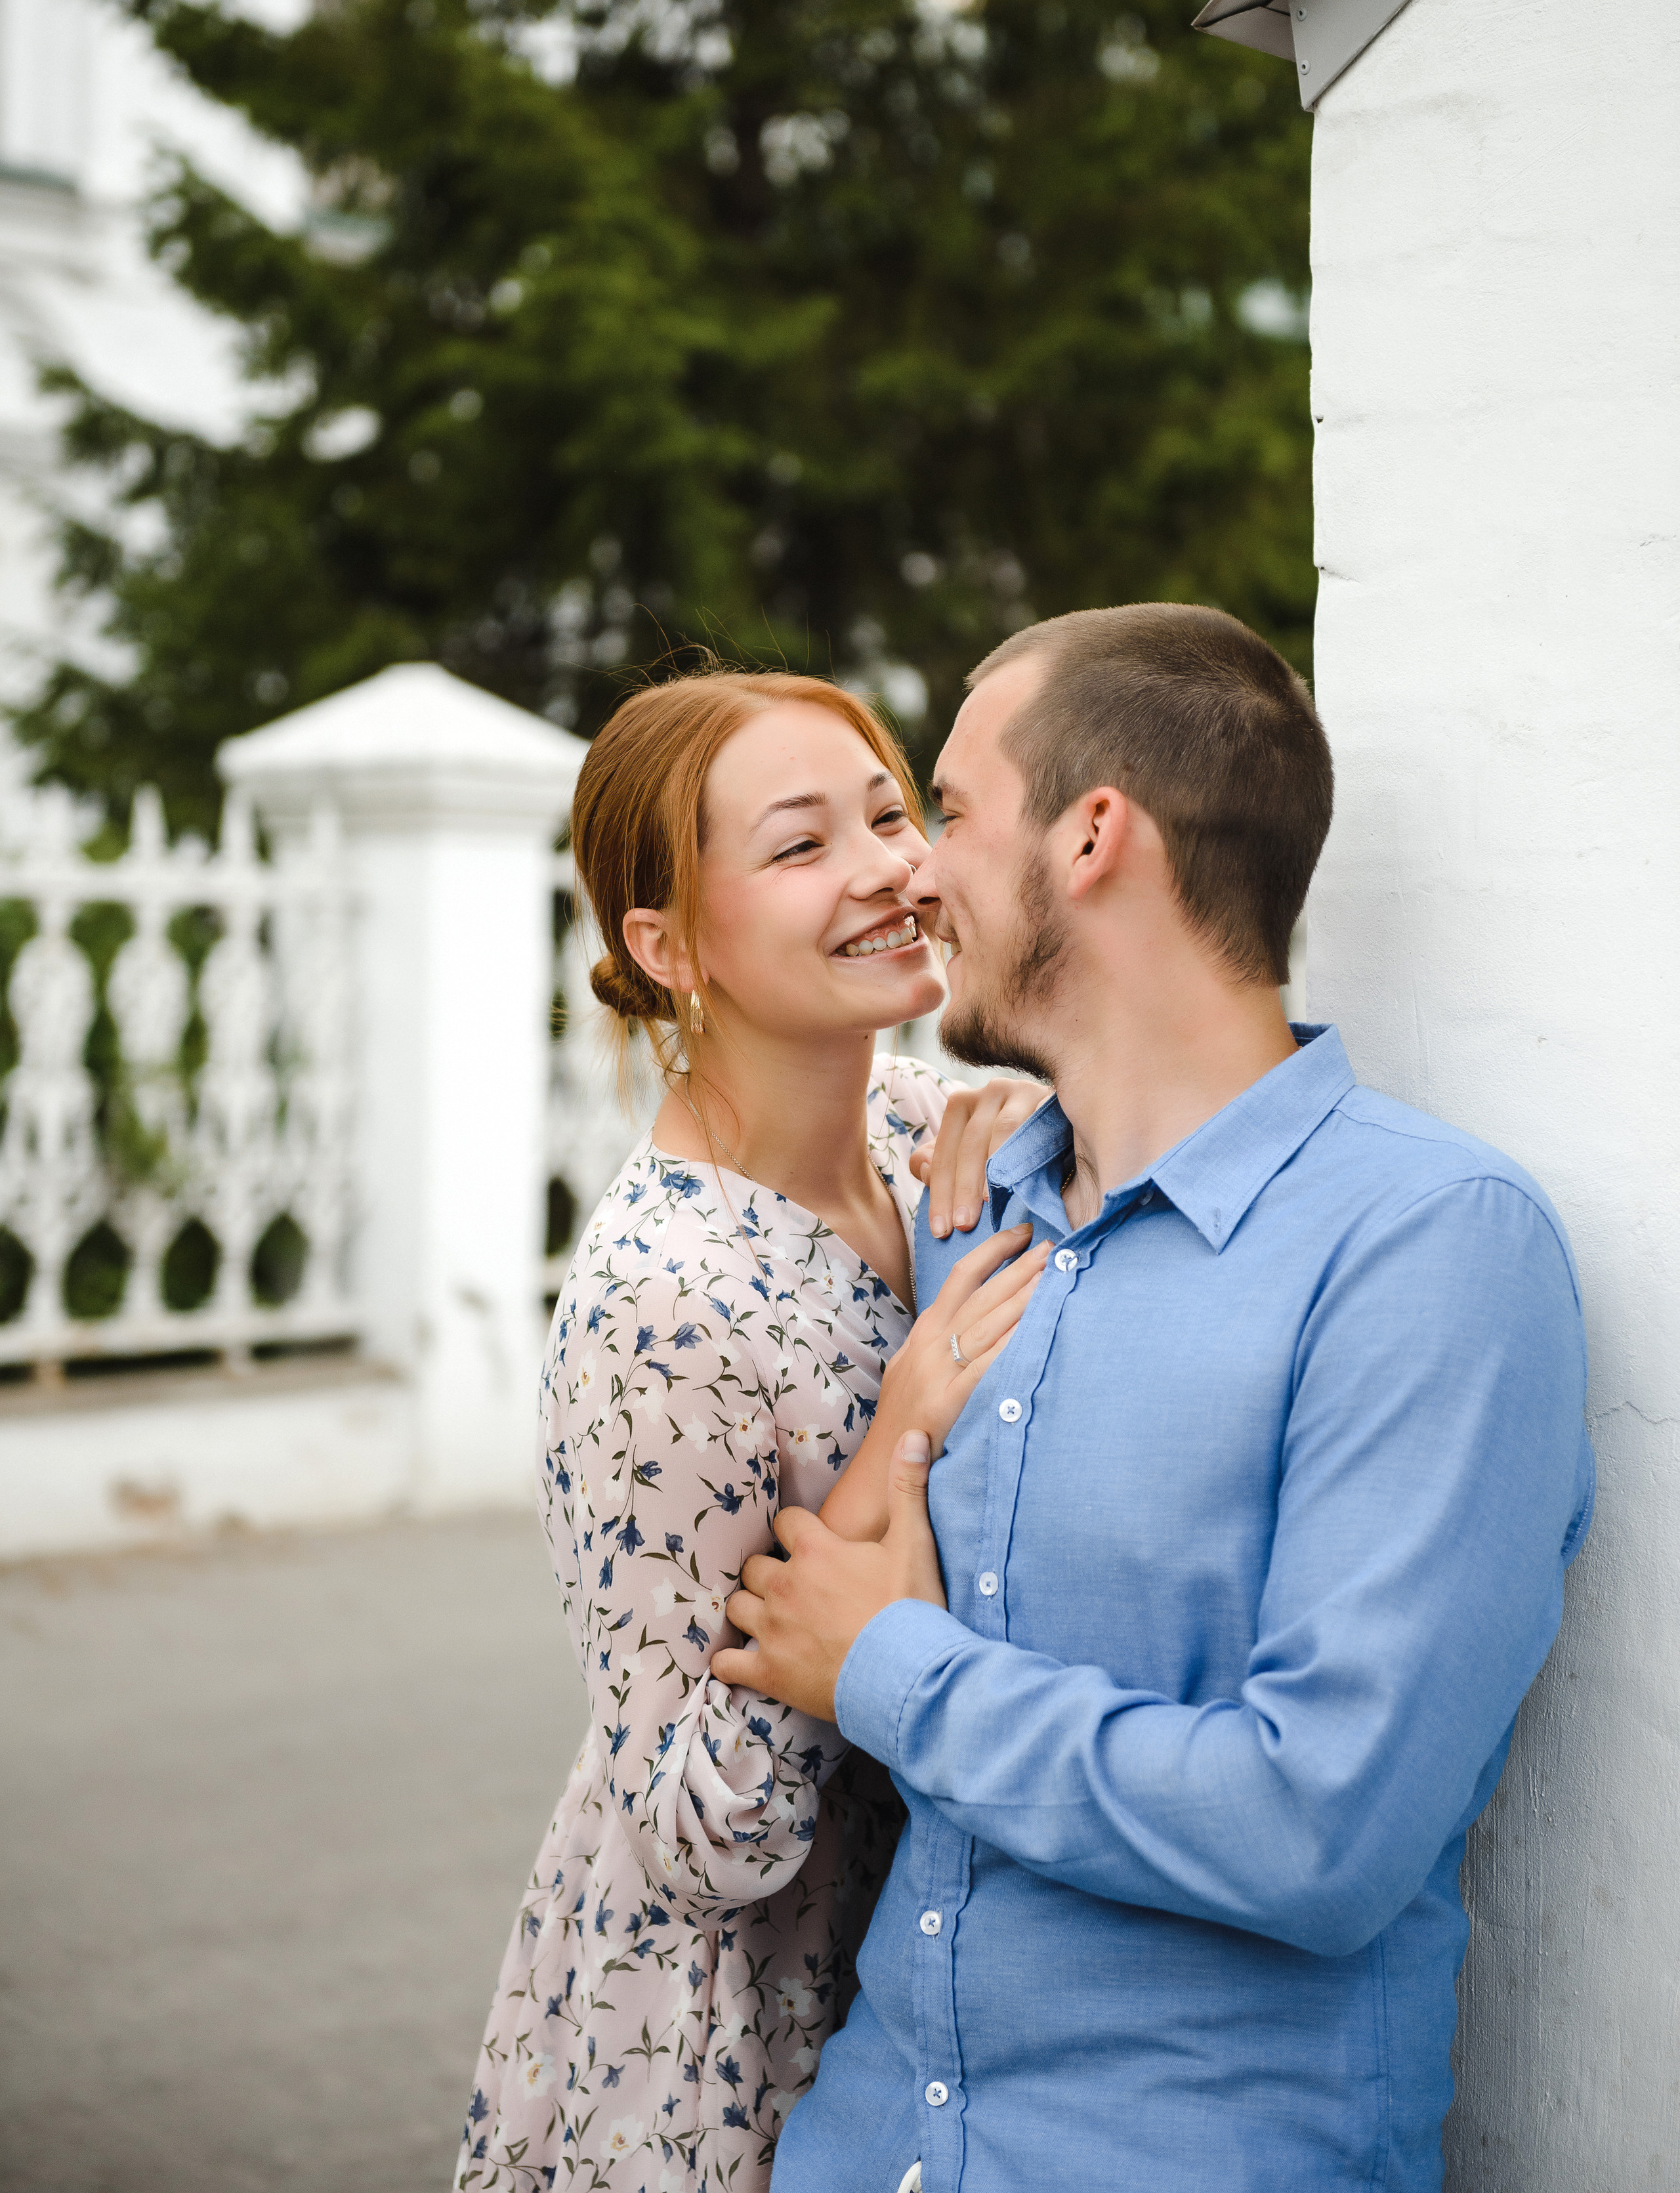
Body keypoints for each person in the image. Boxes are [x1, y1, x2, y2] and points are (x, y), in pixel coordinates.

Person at [716, 604, 1596, 2193]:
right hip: (862, 2152)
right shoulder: (972, 1209)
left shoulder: (1423, 1250)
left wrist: (891, 1669)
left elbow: (1317, 1826)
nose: (917, 869)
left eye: (955, 811)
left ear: (1094, 833)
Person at [455, 667, 1047, 2193]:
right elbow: (697, 1836)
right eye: (799, 848)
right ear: (663, 943)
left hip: (933, 1991)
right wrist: (890, 1439)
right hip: (721, 2056)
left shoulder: (930, 1130)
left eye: (890, 813)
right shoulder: (657, 1307)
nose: (887, 869)